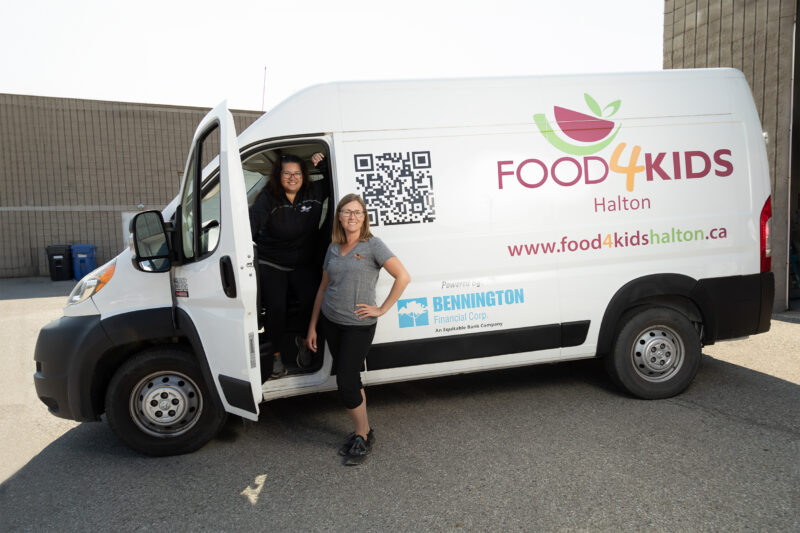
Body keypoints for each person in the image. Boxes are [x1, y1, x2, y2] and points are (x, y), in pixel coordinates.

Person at [306, 193, 410, 466]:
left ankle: (362, 435)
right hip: (331, 321)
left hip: (358, 326)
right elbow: (322, 288)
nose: (352, 217)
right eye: (347, 212)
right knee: (352, 378)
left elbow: (403, 276)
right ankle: (364, 432)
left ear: (364, 218)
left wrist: (382, 308)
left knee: (346, 382)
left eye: (358, 212)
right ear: (339, 216)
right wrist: (313, 326)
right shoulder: (333, 247)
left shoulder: (373, 245)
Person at [249, 152, 328, 378]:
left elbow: (338, 181)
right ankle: (275, 355)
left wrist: (322, 165)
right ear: (278, 175)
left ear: (304, 175)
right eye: (287, 173)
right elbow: (250, 227)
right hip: (272, 261)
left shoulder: (314, 192)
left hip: (303, 260)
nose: (292, 177)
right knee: (276, 309)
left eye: (297, 173)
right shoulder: (268, 199)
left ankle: (304, 341)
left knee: (311, 302)